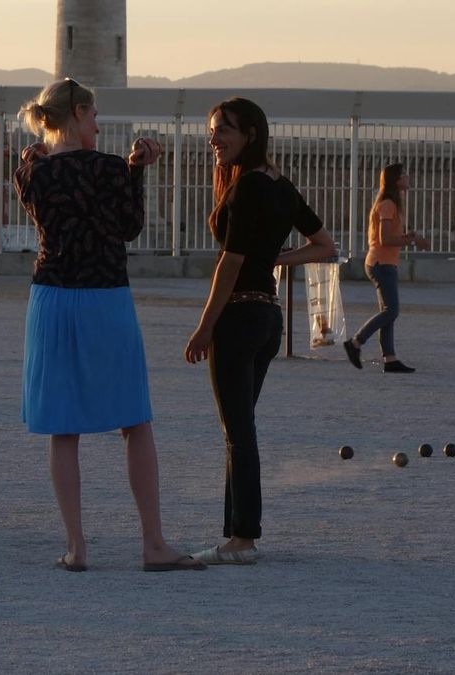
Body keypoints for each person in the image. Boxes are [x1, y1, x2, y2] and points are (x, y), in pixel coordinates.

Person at [14, 78, 204, 573]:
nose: (98, 125)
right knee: (134, 421)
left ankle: (77, 547)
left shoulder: (31, 170)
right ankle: (153, 543)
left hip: (52, 297)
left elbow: (49, 181)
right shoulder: (108, 168)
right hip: (105, 297)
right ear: (77, 113)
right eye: (94, 115)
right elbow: (127, 226)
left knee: (63, 427)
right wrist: (136, 171)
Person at [184, 97, 337, 565]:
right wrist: (278, 260)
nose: (214, 140)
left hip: (239, 318)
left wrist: (203, 327)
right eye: (212, 131)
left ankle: (244, 538)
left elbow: (229, 266)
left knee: (238, 432)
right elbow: (324, 245)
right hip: (268, 318)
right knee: (240, 429)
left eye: (223, 130)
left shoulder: (248, 187)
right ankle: (234, 533)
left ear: (250, 133)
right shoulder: (280, 184)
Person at [343, 163, 429, 373]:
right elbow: (385, 239)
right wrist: (410, 240)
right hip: (381, 264)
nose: (408, 178)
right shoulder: (388, 204)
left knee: (388, 312)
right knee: (391, 311)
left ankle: (390, 359)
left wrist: (409, 237)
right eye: (404, 175)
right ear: (396, 180)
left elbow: (390, 236)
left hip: (384, 263)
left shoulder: (390, 204)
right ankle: (355, 342)